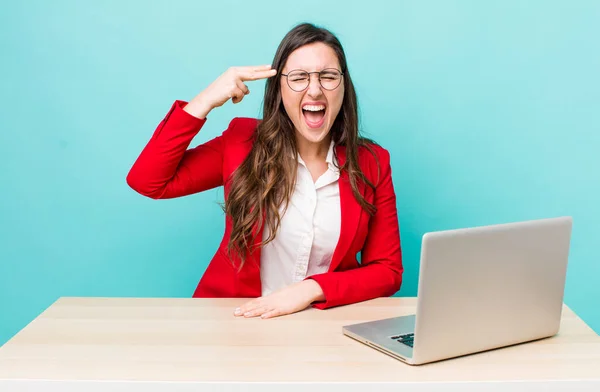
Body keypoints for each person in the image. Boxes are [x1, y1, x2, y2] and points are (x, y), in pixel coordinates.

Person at [126, 22, 403, 319]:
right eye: (298, 78)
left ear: (343, 85)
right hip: (234, 322)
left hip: (321, 326)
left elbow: (387, 270)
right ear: (279, 89)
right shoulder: (242, 143)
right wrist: (204, 100)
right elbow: (148, 181)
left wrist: (312, 288)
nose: (314, 89)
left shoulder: (372, 162)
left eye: (328, 76)